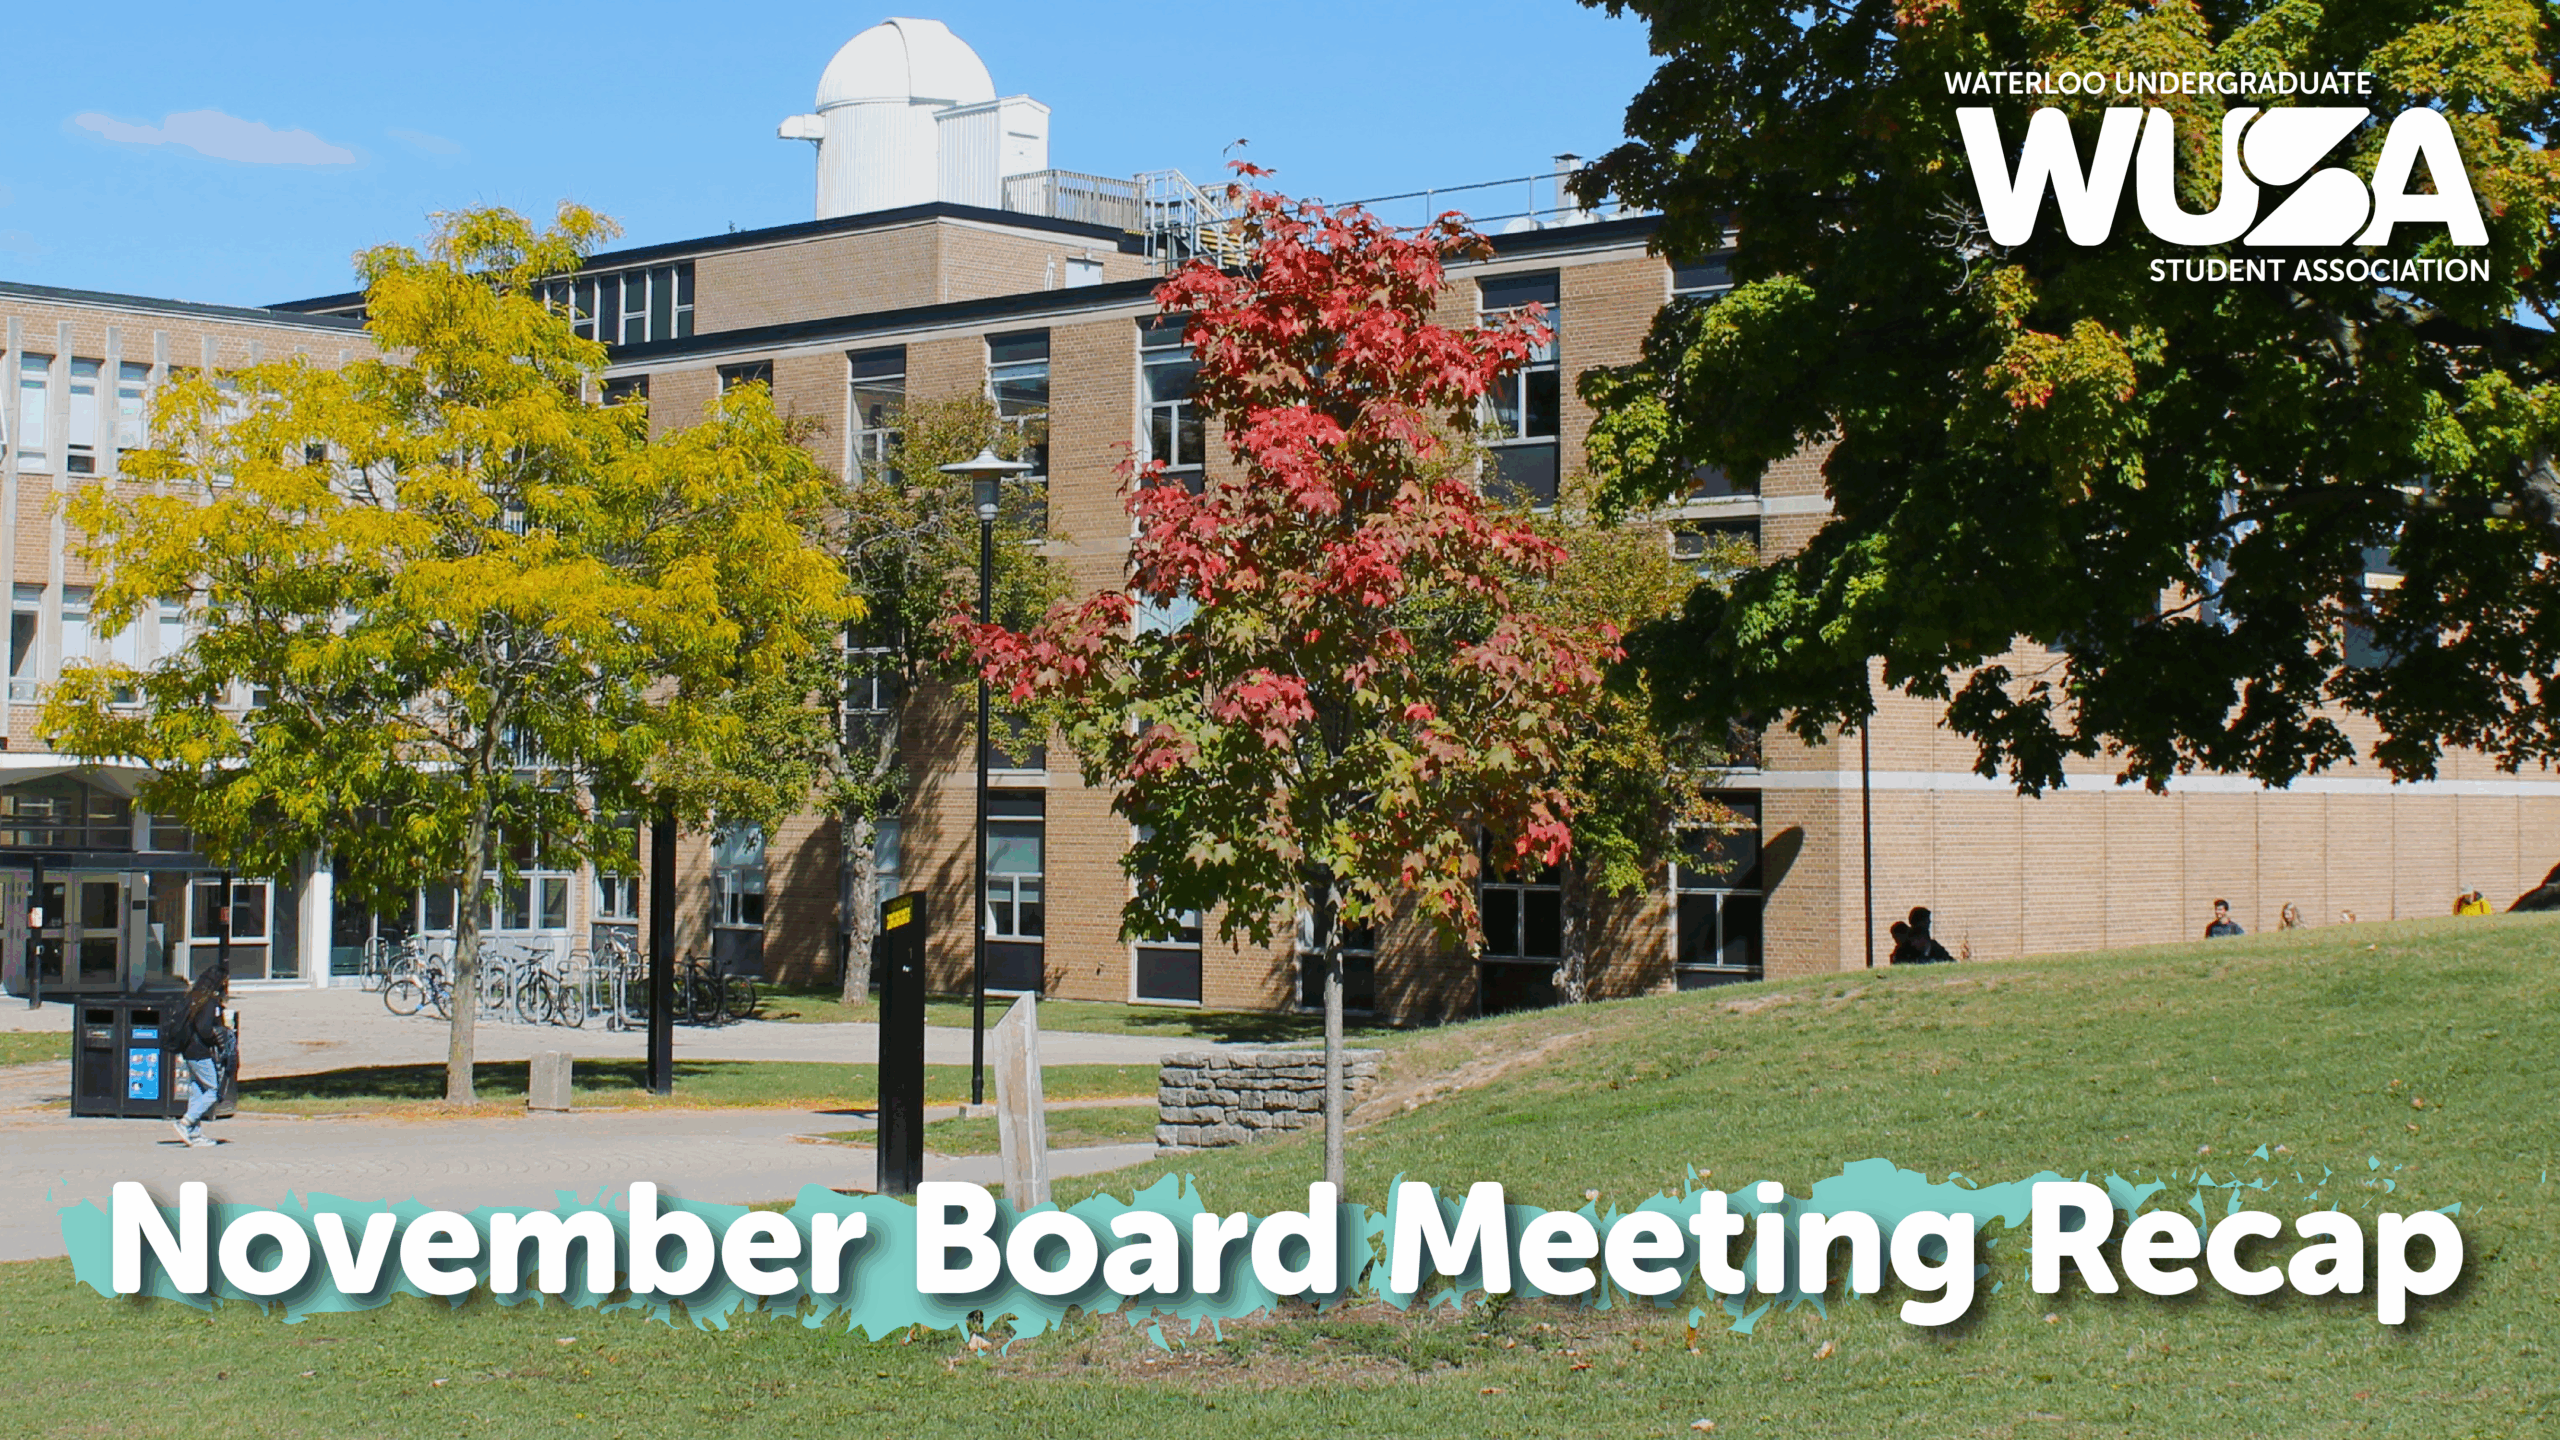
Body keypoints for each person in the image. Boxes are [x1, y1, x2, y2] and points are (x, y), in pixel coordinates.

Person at [172, 965, 230, 1148]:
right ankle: (185, 1123)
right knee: (213, 1091)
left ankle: (194, 1134)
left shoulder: (193, 997)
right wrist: (217, 1037)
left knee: (198, 1090)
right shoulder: (209, 1002)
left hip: (188, 1049)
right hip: (200, 1051)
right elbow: (205, 1029)